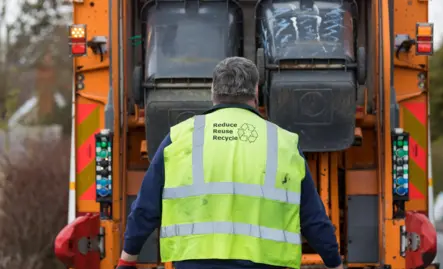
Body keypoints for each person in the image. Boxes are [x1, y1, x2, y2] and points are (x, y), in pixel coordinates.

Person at [116, 57, 344, 269]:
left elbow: (146, 207)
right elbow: (312, 217)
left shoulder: (180, 137)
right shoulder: (283, 143)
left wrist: (128, 256)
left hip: (195, 261)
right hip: (265, 262)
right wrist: (333, 261)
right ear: (256, 91)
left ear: (213, 91)